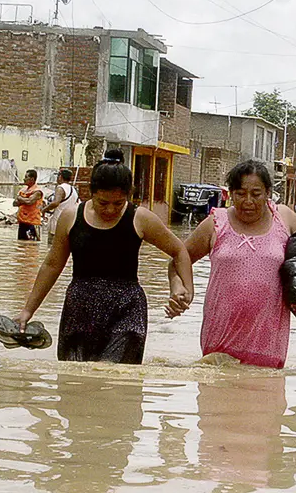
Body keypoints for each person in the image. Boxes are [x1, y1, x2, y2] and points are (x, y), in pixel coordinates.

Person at [13, 149, 194, 364]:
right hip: (80, 307)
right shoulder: (71, 217)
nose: (110, 210)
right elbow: (52, 265)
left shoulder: (141, 218)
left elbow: (179, 250)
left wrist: (187, 290)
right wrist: (28, 310)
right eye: (103, 203)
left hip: (127, 309)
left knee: (118, 381)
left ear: (128, 195)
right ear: (91, 193)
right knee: (74, 381)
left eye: (118, 204)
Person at [166, 159, 296, 369]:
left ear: (268, 192)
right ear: (230, 194)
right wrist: (180, 288)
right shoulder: (216, 223)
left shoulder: (284, 219)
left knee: (267, 395)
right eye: (241, 194)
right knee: (215, 395)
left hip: (268, 339)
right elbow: (178, 259)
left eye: (256, 193)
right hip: (220, 335)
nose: (248, 201)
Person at [42, 168, 80, 239]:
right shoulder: (73, 190)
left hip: (58, 223)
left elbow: (55, 203)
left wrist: (44, 210)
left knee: (52, 246)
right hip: (70, 223)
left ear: (60, 177)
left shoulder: (60, 188)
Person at [14, 169, 44, 241]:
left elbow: (29, 201)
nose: (24, 179)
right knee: (21, 245)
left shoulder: (37, 191)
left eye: (26, 177)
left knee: (31, 248)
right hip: (22, 222)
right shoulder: (23, 190)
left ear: (32, 179)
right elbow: (14, 203)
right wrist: (24, 199)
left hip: (33, 223)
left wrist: (20, 198)